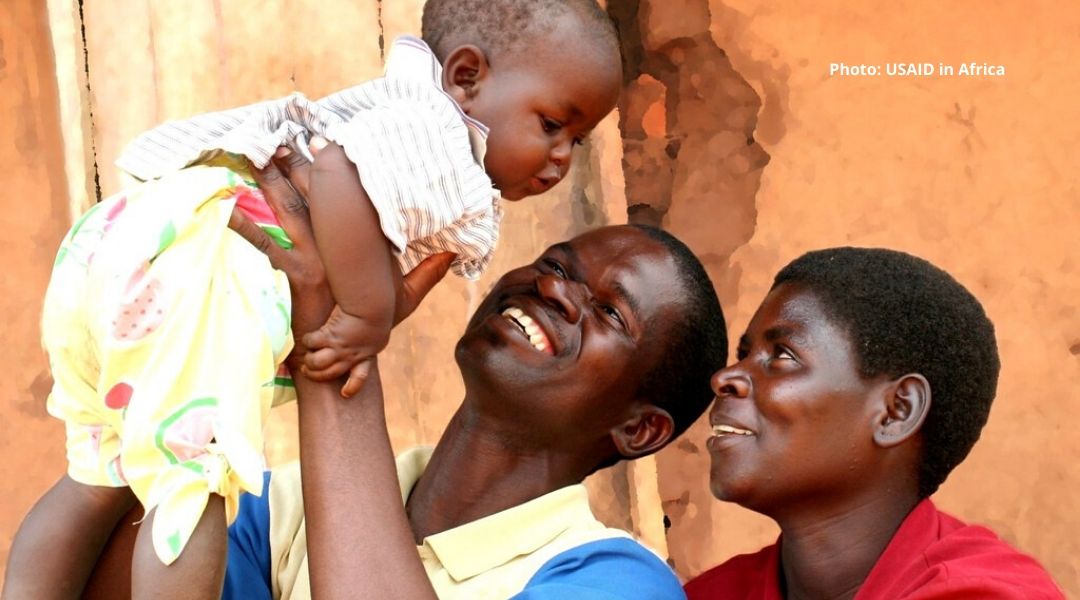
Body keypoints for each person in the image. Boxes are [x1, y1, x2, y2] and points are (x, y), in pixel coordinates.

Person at [3, 1, 622, 597]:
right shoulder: (439, 135)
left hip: (123, 252)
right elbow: (335, 175)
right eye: (551, 124)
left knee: (97, 474)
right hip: (198, 279)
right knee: (191, 485)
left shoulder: (410, 115)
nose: (561, 158)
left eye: (577, 140)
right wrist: (364, 313)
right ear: (465, 77)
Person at [222, 151, 730, 598]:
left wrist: (334, 348)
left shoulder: (621, 585)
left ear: (638, 429)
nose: (554, 291)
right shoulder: (286, 508)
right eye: (556, 266)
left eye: (612, 314)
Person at [684, 247, 1065, 599]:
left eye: (782, 354)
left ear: (896, 411)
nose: (726, 377)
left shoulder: (981, 593)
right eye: (745, 354)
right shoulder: (714, 593)